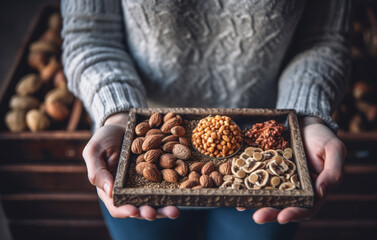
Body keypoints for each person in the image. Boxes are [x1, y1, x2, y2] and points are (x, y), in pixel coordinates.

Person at [61, 0, 350, 239]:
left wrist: (306, 119)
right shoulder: (149, 150)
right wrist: (118, 117)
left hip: (266, 154)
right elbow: (89, 35)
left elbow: (323, 40)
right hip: (140, 138)